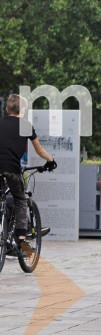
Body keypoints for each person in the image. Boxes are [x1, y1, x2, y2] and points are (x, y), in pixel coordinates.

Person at [0, 94, 57, 250]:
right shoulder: (25, 125)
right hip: (12, 170)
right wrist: (51, 160)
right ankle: (21, 239)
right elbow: (39, 151)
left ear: (7, 108)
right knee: (20, 200)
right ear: (23, 110)